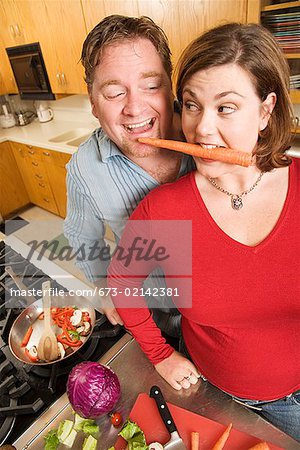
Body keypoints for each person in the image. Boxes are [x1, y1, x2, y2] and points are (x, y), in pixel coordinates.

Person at [108, 23, 300, 441]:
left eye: (225, 107)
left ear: (266, 110)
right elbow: (122, 283)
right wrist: (160, 356)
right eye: (191, 106)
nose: (203, 129)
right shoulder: (164, 210)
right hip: (214, 397)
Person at [64, 15, 195, 331]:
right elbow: (82, 237)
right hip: (155, 315)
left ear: (170, 85)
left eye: (150, 85)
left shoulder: (205, 134)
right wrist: (103, 287)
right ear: (94, 104)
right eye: (113, 93)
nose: (135, 108)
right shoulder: (84, 169)